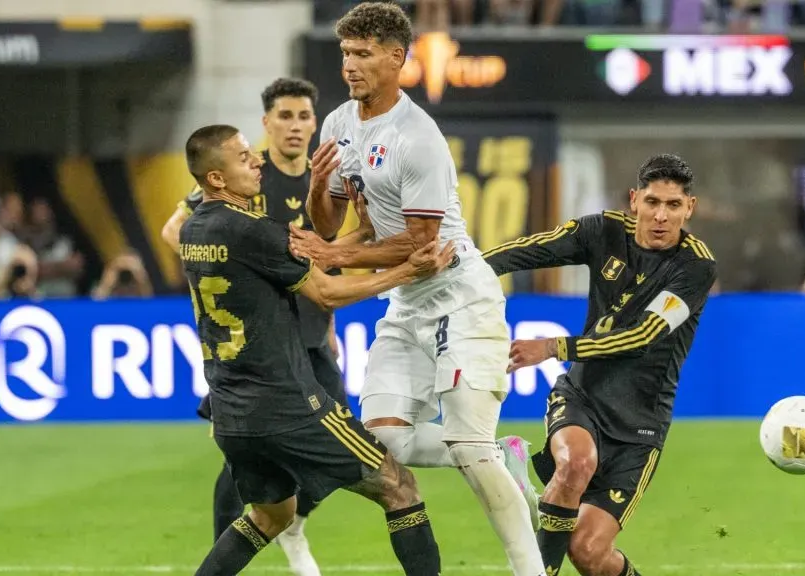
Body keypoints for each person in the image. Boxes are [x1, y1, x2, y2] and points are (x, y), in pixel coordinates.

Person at [288, 3, 544, 575]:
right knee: (385, 447)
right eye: (346, 54)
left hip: (459, 294)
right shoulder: (337, 125)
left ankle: (531, 569)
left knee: (467, 444)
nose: (350, 66)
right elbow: (327, 224)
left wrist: (336, 256)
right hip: (406, 304)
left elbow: (421, 242)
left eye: (363, 54)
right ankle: (507, 459)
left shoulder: (417, 136)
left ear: (397, 58)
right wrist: (317, 187)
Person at [180, 124, 452, 576]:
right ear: (217, 179)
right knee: (399, 486)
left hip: (232, 411)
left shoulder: (196, 230)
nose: (257, 162)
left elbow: (300, 258)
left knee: (272, 516)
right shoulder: (252, 229)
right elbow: (325, 293)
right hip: (286, 405)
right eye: (244, 157)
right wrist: (408, 271)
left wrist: (362, 233)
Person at [483, 154, 717, 576]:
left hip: (641, 426)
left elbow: (644, 336)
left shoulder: (695, 266)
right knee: (576, 462)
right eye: (652, 202)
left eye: (673, 206)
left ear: (690, 208)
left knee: (588, 552)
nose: (661, 216)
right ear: (634, 200)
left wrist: (554, 346)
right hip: (583, 397)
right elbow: (528, 252)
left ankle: (540, 494)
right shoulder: (602, 231)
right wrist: (464, 267)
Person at [161, 78, 338, 576]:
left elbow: (324, 260)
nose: (296, 126)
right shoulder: (243, 172)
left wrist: (327, 324)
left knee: (340, 438)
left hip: (311, 332)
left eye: (305, 116)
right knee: (240, 459)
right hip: (254, 342)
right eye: (285, 116)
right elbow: (175, 231)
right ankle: (229, 546)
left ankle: (291, 522)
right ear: (267, 123)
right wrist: (227, 283)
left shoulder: (321, 180)